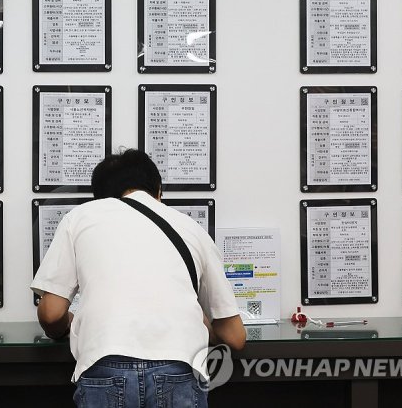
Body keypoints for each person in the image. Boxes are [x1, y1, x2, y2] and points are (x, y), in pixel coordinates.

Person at [31, 148, 246, 408]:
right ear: (158, 191)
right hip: (179, 366)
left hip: (104, 362)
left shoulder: (80, 218)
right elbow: (234, 337)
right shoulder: (191, 228)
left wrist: (68, 326)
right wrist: (202, 326)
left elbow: (51, 314)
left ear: (99, 197)